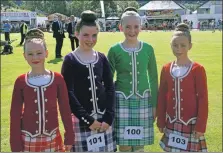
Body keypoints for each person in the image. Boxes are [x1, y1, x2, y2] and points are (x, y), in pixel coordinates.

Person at [10, 28, 74, 152]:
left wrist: (70, 137)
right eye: (30, 54)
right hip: (27, 139)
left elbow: (65, 109)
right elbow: (15, 115)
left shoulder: (57, 79)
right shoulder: (21, 81)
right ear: (24, 56)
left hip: (53, 137)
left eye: (39, 53)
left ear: (46, 53)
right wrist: (15, 145)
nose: (35, 57)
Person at [61, 10, 117, 152]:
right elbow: (69, 93)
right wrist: (88, 120)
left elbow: (110, 88)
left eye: (94, 35)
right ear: (76, 33)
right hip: (82, 120)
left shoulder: (102, 57)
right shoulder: (70, 60)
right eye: (85, 35)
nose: (90, 39)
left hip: (104, 119)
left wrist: (108, 118)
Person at [107, 10, 158, 152]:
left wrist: (154, 106)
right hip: (121, 101)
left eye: (136, 26)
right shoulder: (114, 50)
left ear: (141, 27)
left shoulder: (148, 49)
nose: (132, 30)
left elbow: (153, 78)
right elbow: (108, 81)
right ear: (120, 27)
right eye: (128, 27)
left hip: (143, 100)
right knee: (124, 143)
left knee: (139, 142)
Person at [157, 23, 208, 152]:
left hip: (191, 123)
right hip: (172, 122)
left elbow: (203, 99)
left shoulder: (198, 69)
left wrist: (201, 126)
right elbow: (162, 96)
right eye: (175, 45)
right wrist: (161, 120)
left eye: (183, 45)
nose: (178, 48)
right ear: (171, 46)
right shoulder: (166, 68)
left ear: (190, 46)